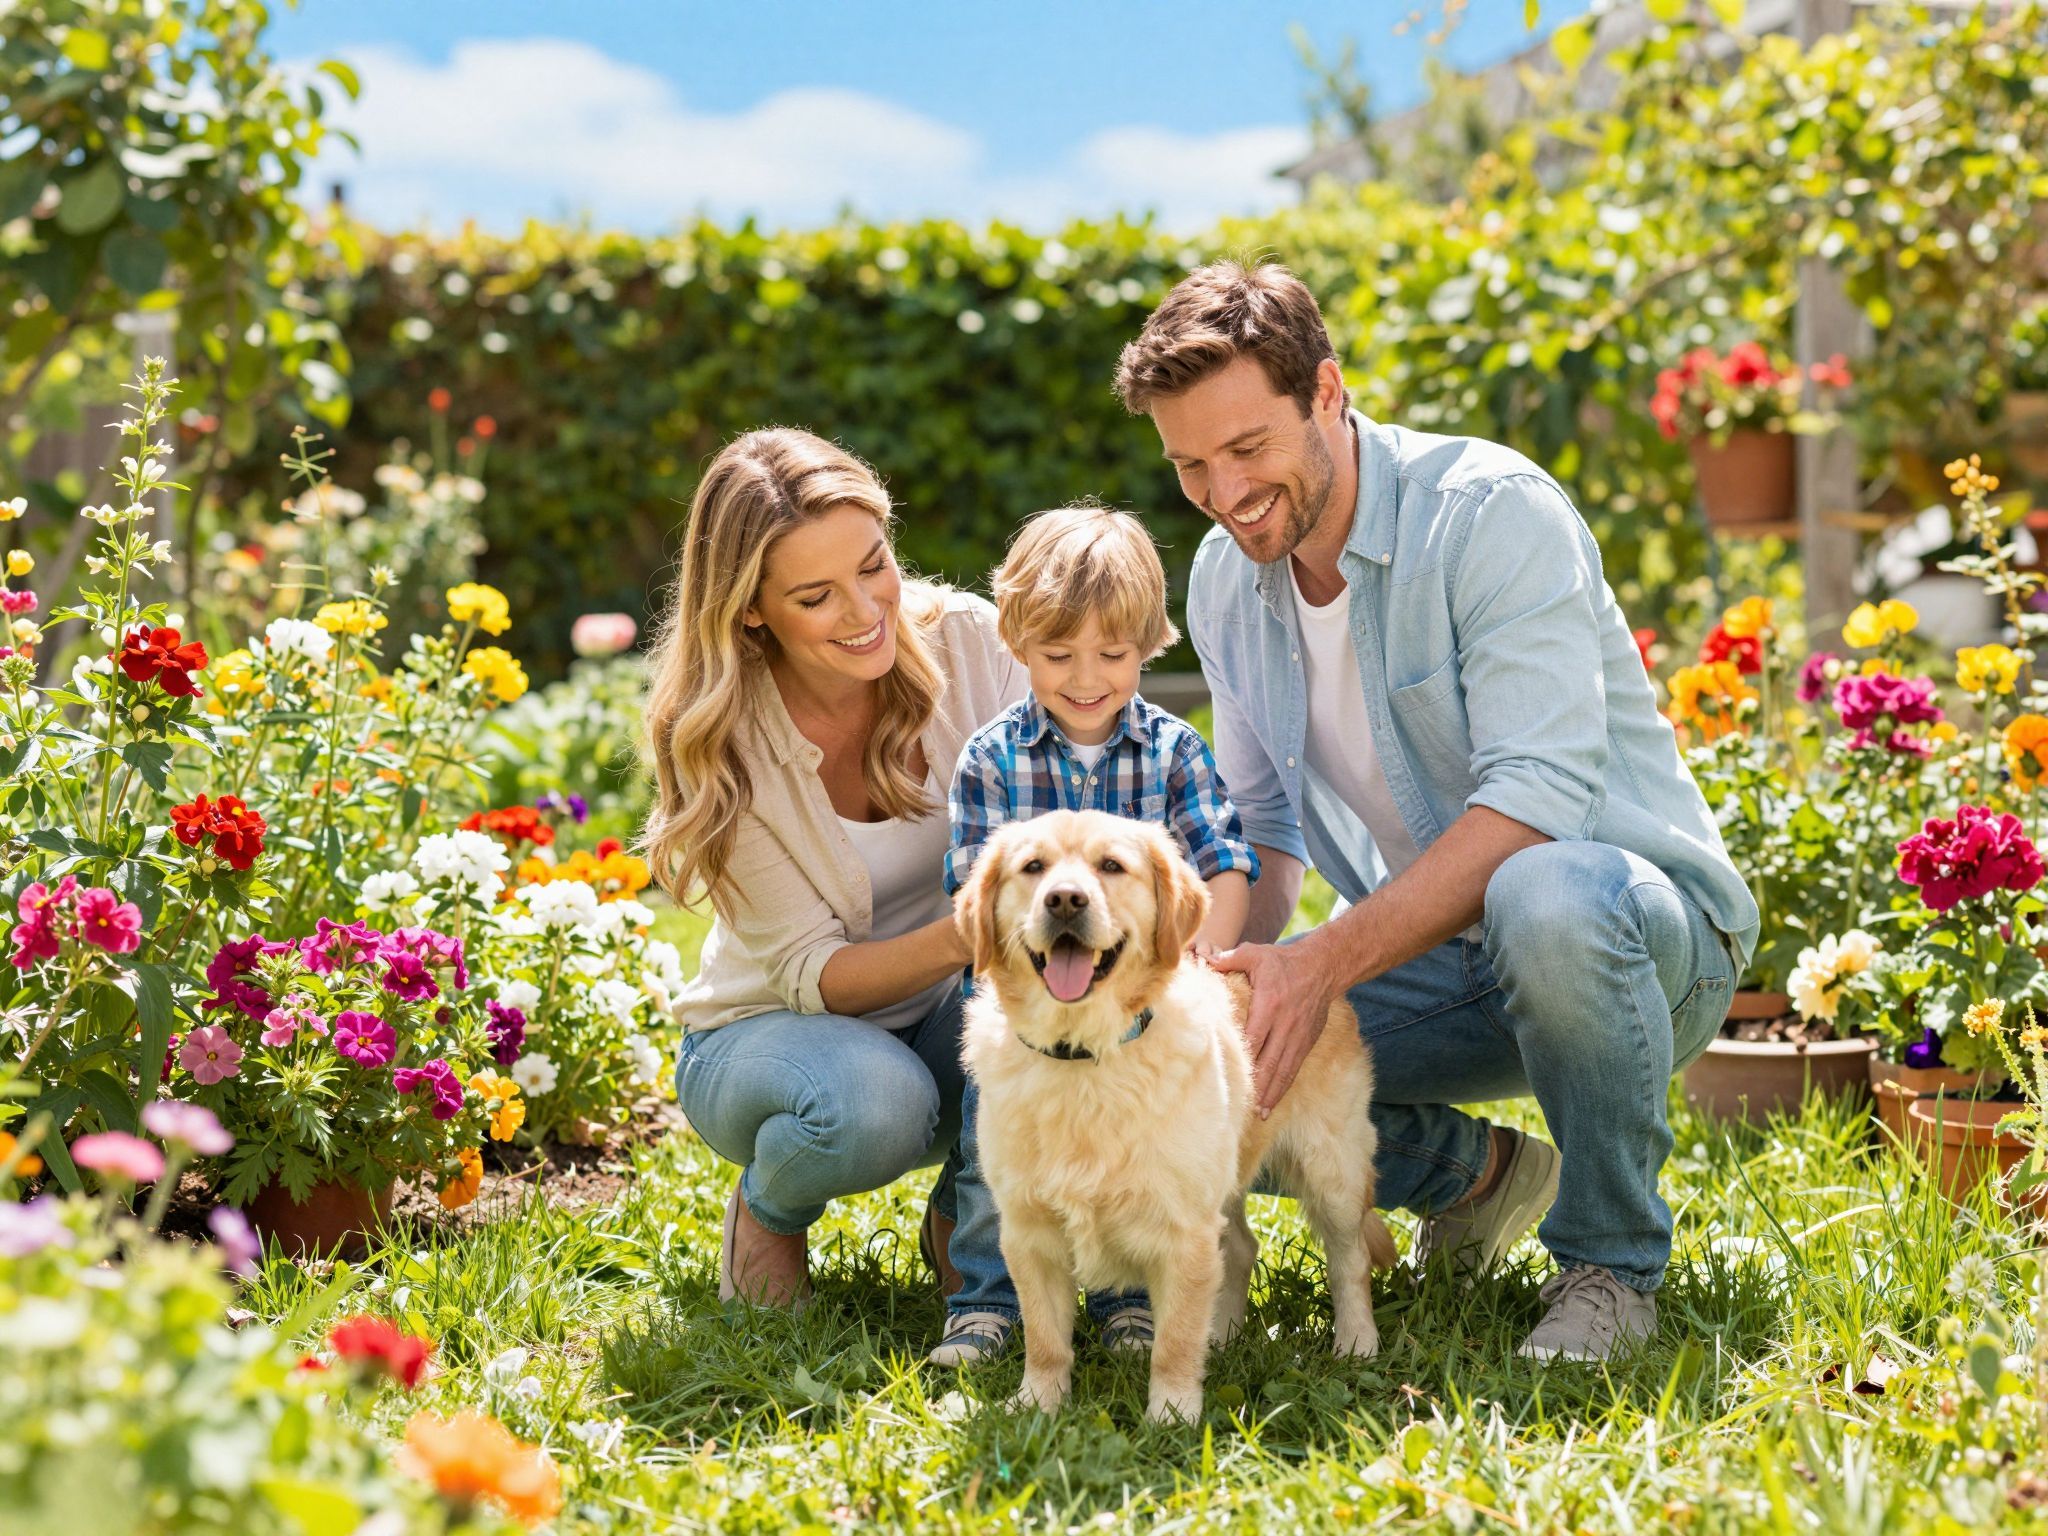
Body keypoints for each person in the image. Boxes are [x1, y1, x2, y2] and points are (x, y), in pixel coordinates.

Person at [1114, 261, 1759, 1363]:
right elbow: (1259, 827)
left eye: (1245, 450)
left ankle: (1608, 1266)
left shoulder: (1487, 516)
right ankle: (1479, 1180)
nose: (1222, 494)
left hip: (1632, 940)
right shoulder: (1226, 577)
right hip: (1440, 955)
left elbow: (1534, 804)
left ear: (1326, 392)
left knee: (1541, 891)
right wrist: (1195, 1003)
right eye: (1188, 467)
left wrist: (1318, 965)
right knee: (1187, 1053)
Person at [644, 427, 1024, 1308]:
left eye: (874, 565)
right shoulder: (721, 741)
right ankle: (770, 1206)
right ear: (750, 611)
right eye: (816, 596)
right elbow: (819, 976)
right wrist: (976, 933)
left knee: (1046, 1014)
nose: (865, 612)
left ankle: (964, 1215)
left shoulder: (970, 644)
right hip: (769, 1035)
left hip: (942, 1015)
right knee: (875, 1106)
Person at [929, 504, 1261, 1365]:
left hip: (1143, 1012)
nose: (1086, 677)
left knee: (1142, 1157)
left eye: (1112, 655)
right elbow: (978, 892)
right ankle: (986, 1299)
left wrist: (1197, 963)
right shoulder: (991, 759)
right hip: (1030, 1015)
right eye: (1057, 654)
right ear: (1017, 644)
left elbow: (1223, 860)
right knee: (989, 1151)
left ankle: (1129, 1303)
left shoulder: (1176, 750)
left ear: (1149, 646)